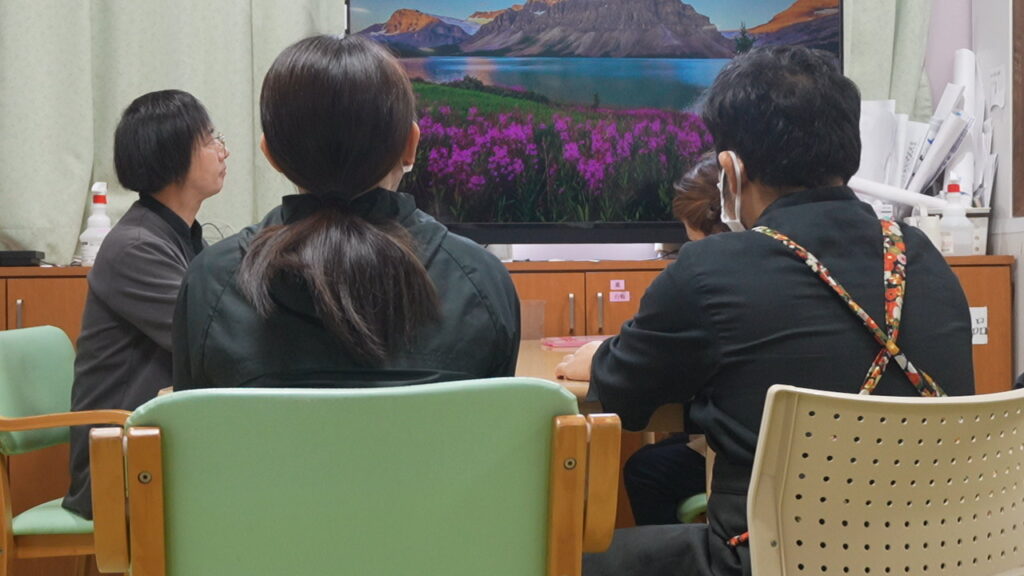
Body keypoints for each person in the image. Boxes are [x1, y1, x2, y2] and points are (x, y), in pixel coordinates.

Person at [557, 46, 974, 576]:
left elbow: (623, 394)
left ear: (729, 170)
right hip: (932, 554)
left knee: (562, 559)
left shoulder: (710, 268)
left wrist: (598, 357)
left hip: (770, 557)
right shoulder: (924, 256)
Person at [173, 34, 519, 391]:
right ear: (411, 145)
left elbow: (193, 420)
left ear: (271, 154)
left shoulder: (211, 283)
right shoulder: (482, 282)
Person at [64, 90, 229, 519]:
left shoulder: (180, 237)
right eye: (210, 140)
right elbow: (211, 341)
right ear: (174, 157)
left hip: (158, 443)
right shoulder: (136, 247)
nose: (222, 150)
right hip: (118, 463)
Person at [624, 152, 725, 526]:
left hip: (747, 468)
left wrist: (601, 357)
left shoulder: (698, 276)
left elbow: (631, 386)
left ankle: (679, 552)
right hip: (841, 463)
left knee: (647, 469)